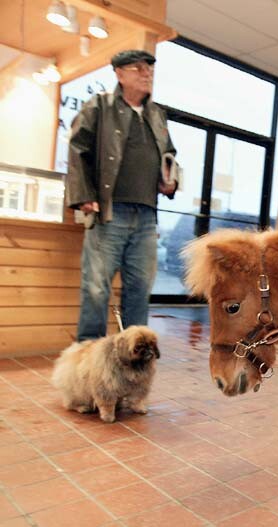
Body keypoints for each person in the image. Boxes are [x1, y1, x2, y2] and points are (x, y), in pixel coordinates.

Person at [66, 49, 177, 341]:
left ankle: (133, 359)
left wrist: (170, 181)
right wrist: (84, 195)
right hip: (109, 212)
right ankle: (88, 360)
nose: (146, 74)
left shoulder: (157, 114)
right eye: (139, 68)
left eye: (150, 69)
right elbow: (78, 148)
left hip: (146, 217)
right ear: (119, 73)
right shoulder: (99, 106)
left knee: (140, 288)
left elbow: (169, 155)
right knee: (96, 288)